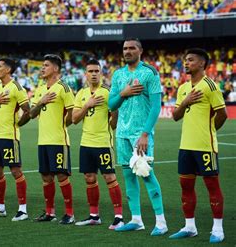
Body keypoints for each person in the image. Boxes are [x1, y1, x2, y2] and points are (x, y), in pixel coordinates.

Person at [108, 38, 168, 235]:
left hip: (139, 134)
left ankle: (161, 222)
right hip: (122, 133)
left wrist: (145, 134)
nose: (127, 51)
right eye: (125, 48)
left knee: (146, 173)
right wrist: (123, 93)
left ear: (140, 51)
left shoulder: (149, 73)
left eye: (132, 48)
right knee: (128, 176)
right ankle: (136, 219)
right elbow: (111, 105)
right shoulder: (118, 75)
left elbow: (156, 106)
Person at [170, 48, 227, 243]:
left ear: (202, 64)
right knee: (185, 186)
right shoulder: (183, 88)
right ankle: (189, 226)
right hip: (185, 146)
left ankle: (218, 229)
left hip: (204, 147)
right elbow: (175, 116)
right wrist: (185, 101)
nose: (186, 63)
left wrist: (209, 132)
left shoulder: (210, 85)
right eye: (185, 60)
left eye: (191, 60)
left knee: (212, 186)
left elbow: (222, 114)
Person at [72, 59, 124, 229]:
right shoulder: (81, 94)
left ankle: (119, 217)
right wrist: (87, 105)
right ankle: (94, 215)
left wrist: (114, 113)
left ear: (101, 73)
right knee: (89, 178)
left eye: (96, 71)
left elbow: (114, 125)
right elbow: (74, 119)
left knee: (109, 177)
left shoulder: (108, 93)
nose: (93, 74)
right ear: (85, 74)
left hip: (103, 143)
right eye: (90, 71)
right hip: (86, 144)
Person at [0, 58, 31, 221]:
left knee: (15, 171)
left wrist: (18, 125)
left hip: (10, 137)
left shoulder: (17, 88)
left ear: (8, 70)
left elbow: (27, 110)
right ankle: (0, 208)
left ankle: (23, 210)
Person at [30, 54, 75, 225]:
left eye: (46, 65)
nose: (42, 68)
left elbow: (72, 114)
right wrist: (41, 102)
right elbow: (32, 114)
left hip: (58, 141)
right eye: (42, 65)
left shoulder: (63, 88)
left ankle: (70, 214)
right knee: (46, 178)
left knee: (62, 176)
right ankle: (50, 213)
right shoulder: (40, 89)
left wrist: (61, 128)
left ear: (55, 69)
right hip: (42, 141)